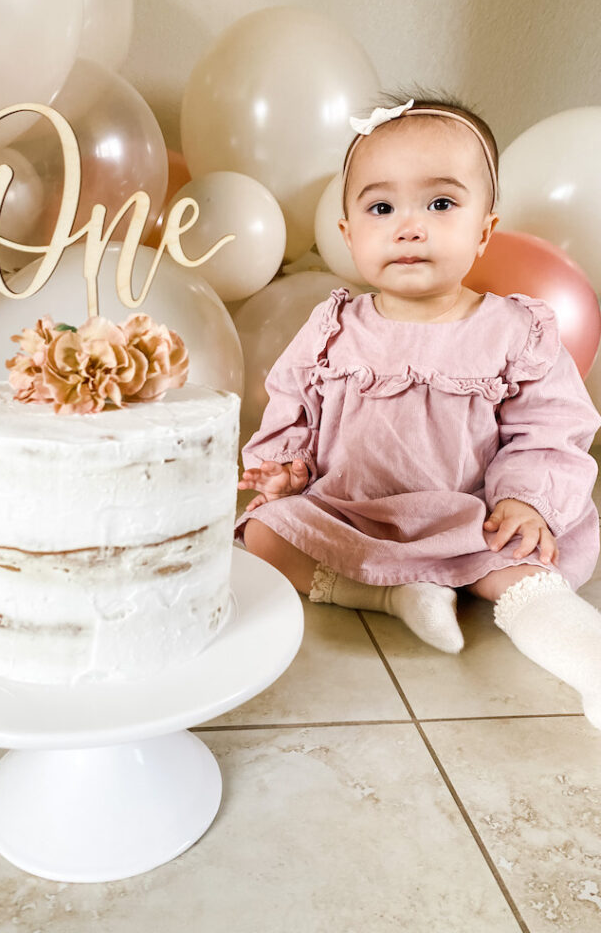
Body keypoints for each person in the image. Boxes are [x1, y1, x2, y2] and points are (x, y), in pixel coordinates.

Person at [236, 91, 601, 728]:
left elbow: (552, 426)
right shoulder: (333, 325)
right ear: (350, 234)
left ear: (485, 227)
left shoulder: (516, 329)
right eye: (381, 207)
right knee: (264, 536)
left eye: (440, 204)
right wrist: (286, 468)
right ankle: (394, 594)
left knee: (522, 563)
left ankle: (588, 662)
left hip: (473, 516)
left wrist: (526, 500)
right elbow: (292, 402)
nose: (409, 226)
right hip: (355, 511)